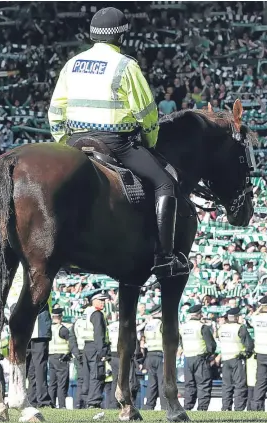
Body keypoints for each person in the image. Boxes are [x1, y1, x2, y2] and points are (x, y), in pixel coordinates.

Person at [47, 6, 189, 280]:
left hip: (76, 140)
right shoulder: (126, 66)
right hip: (116, 143)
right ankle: (165, 256)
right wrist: (150, 141)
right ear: (121, 36)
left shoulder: (72, 64)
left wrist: (63, 143)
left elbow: (55, 110)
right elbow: (147, 113)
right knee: (165, 183)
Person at [179, 304, 217, 411]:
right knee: (203, 384)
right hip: (201, 358)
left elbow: (181, 342)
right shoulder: (202, 327)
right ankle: (202, 409)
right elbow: (211, 345)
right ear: (199, 314)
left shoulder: (183, 327)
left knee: (189, 385)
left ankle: (187, 407)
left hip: (188, 358)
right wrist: (209, 354)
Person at [218, 307, 254, 412]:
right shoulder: (240, 328)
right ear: (237, 317)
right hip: (237, 359)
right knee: (240, 385)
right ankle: (239, 408)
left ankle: (225, 407)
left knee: (226, 385)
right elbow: (249, 344)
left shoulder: (222, 328)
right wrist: (247, 353)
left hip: (225, 359)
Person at [82, 293, 110, 408]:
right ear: (93, 301)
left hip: (86, 346)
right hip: (95, 347)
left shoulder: (86, 313)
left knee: (88, 375)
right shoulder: (97, 314)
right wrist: (102, 351)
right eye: (100, 300)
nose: (103, 302)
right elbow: (98, 334)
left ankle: (87, 400)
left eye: (104, 300)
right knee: (97, 374)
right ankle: (94, 402)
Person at [27, 302, 52, 409]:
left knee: (32, 369)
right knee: (39, 367)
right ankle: (43, 400)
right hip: (39, 332)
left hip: (27, 331)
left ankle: (32, 399)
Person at [48, 308, 71, 409]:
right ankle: (62, 405)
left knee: (52, 383)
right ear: (60, 317)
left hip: (51, 357)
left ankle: (52, 404)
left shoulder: (48, 328)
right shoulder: (63, 329)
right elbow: (71, 343)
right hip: (61, 358)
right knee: (62, 383)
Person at [143, 305, 165, 410]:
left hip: (150, 354)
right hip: (160, 355)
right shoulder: (161, 324)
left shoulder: (148, 325)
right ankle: (165, 406)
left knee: (152, 383)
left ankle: (149, 406)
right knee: (162, 382)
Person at [69, 310, 87, 409]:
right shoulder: (91, 321)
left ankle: (78, 404)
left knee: (81, 380)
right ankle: (83, 403)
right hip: (87, 353)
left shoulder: (77, 322)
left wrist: (76, 353)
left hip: (79, 353)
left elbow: (72, 339)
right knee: (86, 379)